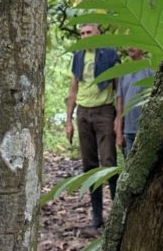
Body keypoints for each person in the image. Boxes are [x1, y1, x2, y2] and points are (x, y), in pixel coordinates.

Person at [65, 22, 119, 233]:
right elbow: (73, 89)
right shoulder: (78, 56)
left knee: (109, 162)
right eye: (83, 33)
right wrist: (68, 120)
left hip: (104, 111)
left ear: (98, 33)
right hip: (83, 113)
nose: (86, 36)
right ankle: (97, 215)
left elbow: (118, 86)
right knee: (89, 165)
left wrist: (119, 117)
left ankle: (117, 211)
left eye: (89, 32)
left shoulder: (110, 53)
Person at [115, 48, 154, 156]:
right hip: (128, 131)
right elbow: (120, 101)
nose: (130, 47)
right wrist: (119, 132)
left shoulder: (150, 69)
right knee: (129, 164)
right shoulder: (124, 71)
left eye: (134, 45)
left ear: (142, 48)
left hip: (145, 130)